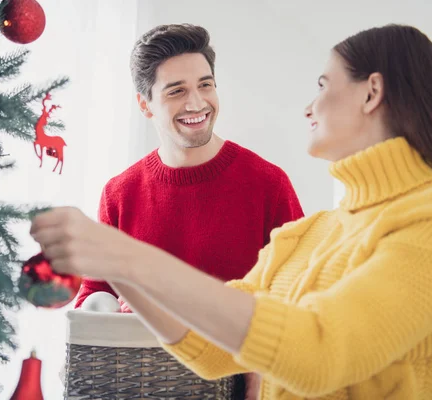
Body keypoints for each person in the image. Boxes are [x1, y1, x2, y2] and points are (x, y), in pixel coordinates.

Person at [31, 24, 432, 400]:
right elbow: (211, 348)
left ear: (372, 92)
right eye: (177, 89)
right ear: (146, 103)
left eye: (321, 84)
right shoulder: (315, 232)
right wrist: (117, 267)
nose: (309, 107)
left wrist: (128, 258)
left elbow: (321, 350)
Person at [73, 24, 303, 399]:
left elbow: (298, 297)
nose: (196, 103)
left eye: (206, 85)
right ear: (145, 104)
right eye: (177, 91)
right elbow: (94, 296)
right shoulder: (119, 194)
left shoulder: (269, 184)